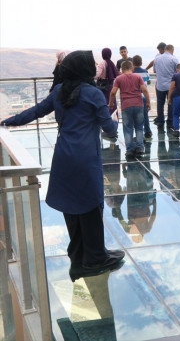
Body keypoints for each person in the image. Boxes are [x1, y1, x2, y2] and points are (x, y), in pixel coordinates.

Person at [1, 50, 125, 280]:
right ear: (85, 70)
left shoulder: (59, 91)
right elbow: (109, 128)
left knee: (72, 207)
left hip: (63, 156)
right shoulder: (94, 94)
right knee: (91, 206)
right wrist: (114, 123)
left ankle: (78, 258)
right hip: (86, 158)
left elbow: (35, 112)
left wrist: (8, 121)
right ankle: (96, 258)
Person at [109, 60, 151, 158]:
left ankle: (130, 150)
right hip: (139, 104)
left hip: (126, 106)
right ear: (132, 68)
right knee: (139, 127)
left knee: (128, 128)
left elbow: (112, 93)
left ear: (122, 69)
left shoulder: (119, 79)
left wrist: (111, 103)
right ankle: (140, 147)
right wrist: (148, 102)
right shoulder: (138, 77)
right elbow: (144, 89)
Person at [152, 44, 179, 130]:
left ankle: (160, 121)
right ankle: (170, 122)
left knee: (160, 103)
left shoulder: (157, 59)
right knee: (170, 103)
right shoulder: (174, 59)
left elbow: (154, 70)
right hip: (171, 86)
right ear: (172, 50)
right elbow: (177, 71)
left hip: (160, 85)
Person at [132, 55, 153, 139]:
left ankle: (137, 132)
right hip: (143, 96)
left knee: (135, 116)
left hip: (134, 96)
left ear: (132, 62)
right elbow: (149, 82)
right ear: (141, 62)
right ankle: (147, 132)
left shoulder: (132, 72)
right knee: (145, 115)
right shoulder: (145, 71)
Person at [95, 47, 119, 116]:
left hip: (102, 87)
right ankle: (113, 119)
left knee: (103, 103)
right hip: (110, 86)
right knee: (111, 102)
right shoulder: (111, 63)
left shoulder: (102, 63)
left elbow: (97, 75)